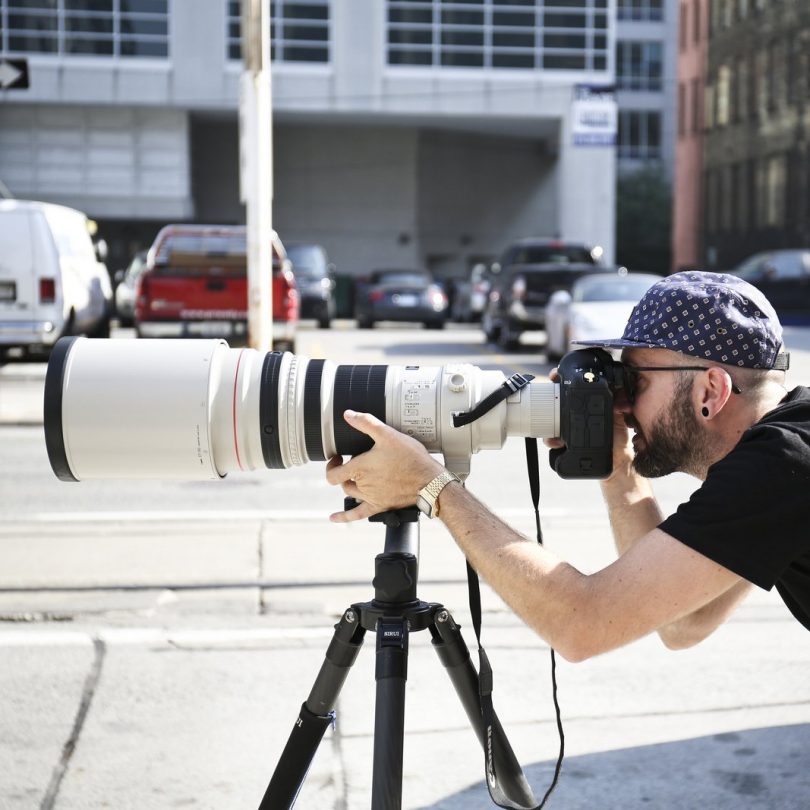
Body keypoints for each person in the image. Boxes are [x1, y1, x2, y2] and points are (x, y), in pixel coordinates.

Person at [326, 272, 810, 661]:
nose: (619, 403)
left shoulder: (779, 465)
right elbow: (684, 622)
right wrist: (618, 466)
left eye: (634, 380)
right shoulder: (778, 463)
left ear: (710, 391)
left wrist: (432, 488)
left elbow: (583, 623)